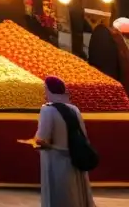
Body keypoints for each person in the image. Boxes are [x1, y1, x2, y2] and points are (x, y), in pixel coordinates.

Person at [35, 75, 96, 207]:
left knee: (59, 194)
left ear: (48, 90)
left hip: (56, 160)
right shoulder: (74, 109)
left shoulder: (47, 109)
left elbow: (42, 138)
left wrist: (36, 143)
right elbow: (83, 134)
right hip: (74, 157)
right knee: (76, 193)